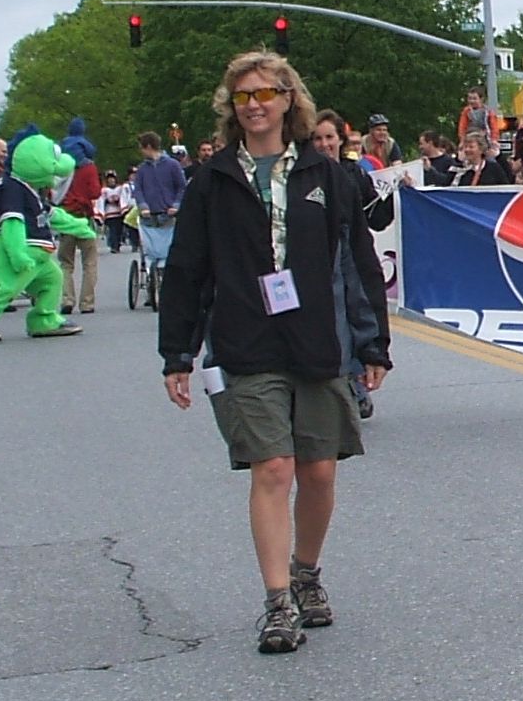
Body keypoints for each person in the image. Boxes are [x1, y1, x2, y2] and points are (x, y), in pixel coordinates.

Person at [159, 53, 391, 655]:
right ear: (231, 109)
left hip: (319, 341)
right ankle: (277, 602)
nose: (255, 105)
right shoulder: (211, 183)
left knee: (318, 470)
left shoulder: (326, 175)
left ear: (289, 100)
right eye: (242, 97)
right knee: (274, 468)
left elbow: (357, 264)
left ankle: (308, 572)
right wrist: (178, 354)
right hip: (246, 341)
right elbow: (187, 271)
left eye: (266, 93)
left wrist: (373, 344)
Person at [311, 110, 393, 419]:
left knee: (357, 316)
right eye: (317, 138)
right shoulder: (302, 177)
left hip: (353, 259)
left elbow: (377, 217)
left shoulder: (353, 174)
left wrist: (398, 194)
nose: (324, 144)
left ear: (340, 140)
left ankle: (358, 386)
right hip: (319, 263)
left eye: (329, 137)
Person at [130, 131, 188, 298]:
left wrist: (176, 205)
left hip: (168, 214)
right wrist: (143, 205)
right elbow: (138, 190)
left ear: (148, 146)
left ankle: (168, 283)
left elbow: (181, 187)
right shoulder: (142, 169)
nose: (141, 151)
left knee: (168, 249)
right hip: (149, 215)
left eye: (142, 147)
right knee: (148, 250)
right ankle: (151, 284)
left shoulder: (172, 165)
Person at [56, 119, 102, 315]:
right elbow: (95, 193)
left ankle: (67, 299)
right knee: (89, 262)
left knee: (66, 263)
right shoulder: (89, 167)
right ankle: (87, 303)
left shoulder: (60, 165)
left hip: (66, 216)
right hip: (84, 217)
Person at [98, 170, 131, 254]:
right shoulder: (104, 190)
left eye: (112, 179)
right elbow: (101, 201)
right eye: (109, 179)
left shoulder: (120, 189)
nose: (111, 181)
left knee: (119, 230)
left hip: (119, 213)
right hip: (109, 213)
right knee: (112, 230)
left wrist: (121, 205)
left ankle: (117, 244)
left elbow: (124, 199)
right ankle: (113, 246)